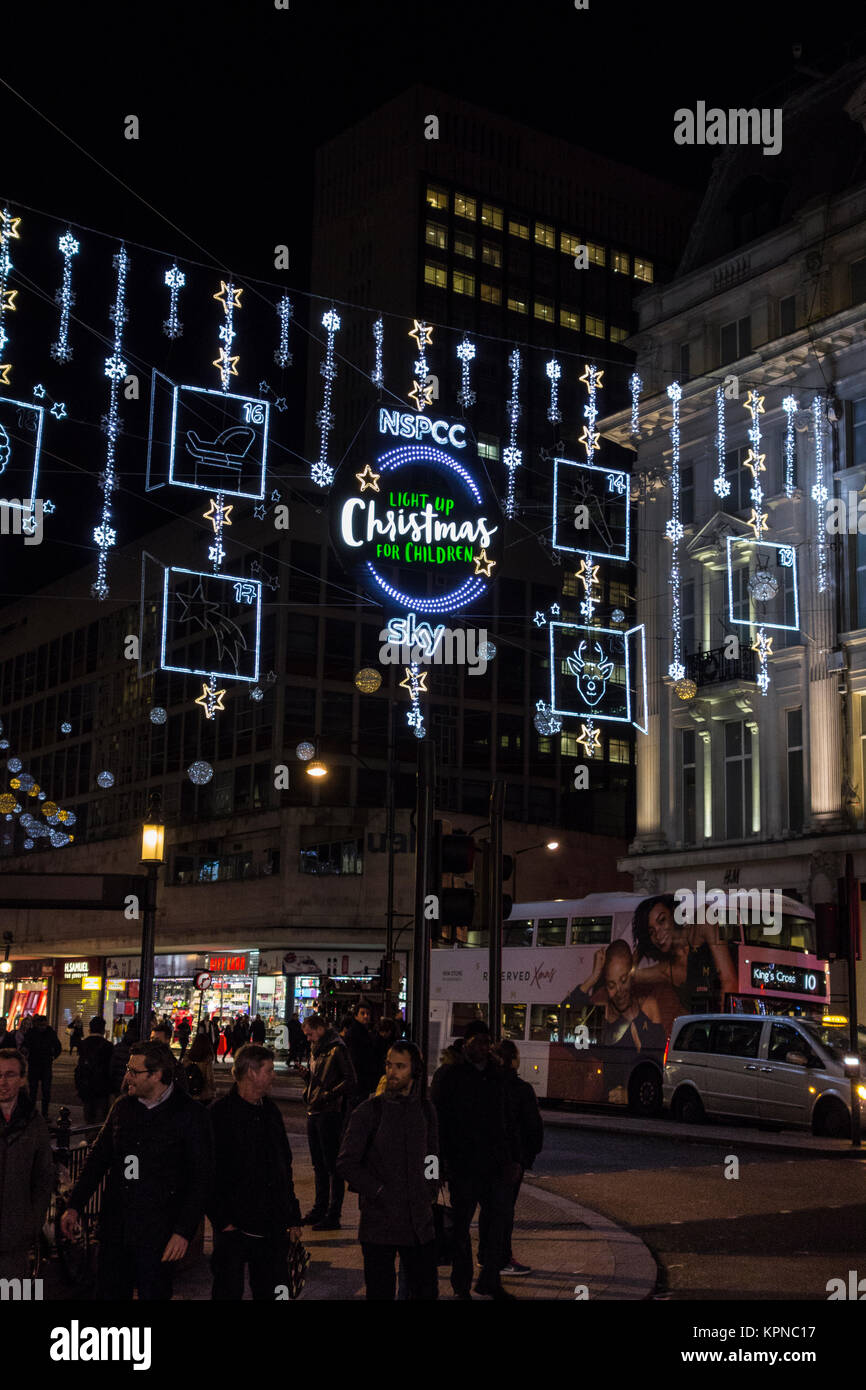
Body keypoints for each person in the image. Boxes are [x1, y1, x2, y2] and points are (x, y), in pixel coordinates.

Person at [60, 1041, 213, 1301]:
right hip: (116, 1230)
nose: (126, 1076)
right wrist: (75, 1205)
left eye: (134, 1071)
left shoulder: (190, 1115)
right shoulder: (123, 1107)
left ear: (156, 1075)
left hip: (159, 1234)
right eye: (128, 1069)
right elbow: (98, 1159)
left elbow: (201, 1178)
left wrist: (183, 1231)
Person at [338, 1040, 438, 1300]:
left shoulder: (426, 1111)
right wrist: (379, 1191)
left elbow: (433, 1156)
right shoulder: (369, 1111)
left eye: (400, 1066)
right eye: (389, 1065)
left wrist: (430, 1189)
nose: (392, 1072)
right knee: (380, 1291)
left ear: (414, 1070)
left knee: (424, 1290)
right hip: (379, 1222)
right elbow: (346, 1163)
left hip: (418, 1223)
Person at [209, 1044, 302, 1300]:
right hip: (235, 1227)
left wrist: (292, 1215)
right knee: (228, 1289)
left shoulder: (270, 1111)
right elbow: (208, 1172)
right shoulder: (220, 1115)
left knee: (274, 1289)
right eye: (269, 1070)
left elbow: (283, 1165)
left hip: (271, 1225)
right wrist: (222, 1220)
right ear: (251, 1072)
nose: (274, 1075)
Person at [431, 1020, 514, 1300]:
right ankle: (461, 1286)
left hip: (492, 1165)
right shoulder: (450, 1074)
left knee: (496, 1226)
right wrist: (440, 1162)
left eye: (487, 1041)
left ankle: (489, 1278)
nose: (483, 1046)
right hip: (463, 1165)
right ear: (466, 1042)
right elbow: (437, 1120)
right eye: (478, 1041)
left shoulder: (495, 1074)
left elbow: (505, 1120)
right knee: (460, 1229)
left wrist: (510, 1157)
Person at [0, 1048, 54, 1280]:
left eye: (10, 1075)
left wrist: (32, 1222)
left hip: (15, 1237)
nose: (2, 1082)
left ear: (22, 1079)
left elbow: (43, 1176)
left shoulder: (33, 1122)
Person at [493, 1040, 544, 1277]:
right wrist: (526, 1157)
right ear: (512, 1060)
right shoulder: (521, 1089)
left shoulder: (487, 1085)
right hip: (512, 1160)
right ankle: (502, 1258)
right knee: (505, 1211)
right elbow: (533, 1128)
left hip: (487, 1159)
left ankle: (488, 1257)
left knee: (492, 1211)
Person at [301, 1012, 356, 1230]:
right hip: (314, 1110)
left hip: (328, 1112)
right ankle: (319, 1208)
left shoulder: (336, 1049)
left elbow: (350, 1081)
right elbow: (321, 1079)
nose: (308, 1038)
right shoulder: (319, 1050)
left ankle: (333, 1214)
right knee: (318, 1165)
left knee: (331, 1165)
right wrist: (308, 1078)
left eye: (310, 1034)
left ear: (321, 1029)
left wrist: (327, 1095)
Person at [74, 1016, 114, 1126]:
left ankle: (89, 1139)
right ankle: (96, 1141)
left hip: (86, 1085)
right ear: (103, 1029)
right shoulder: (108, 1046)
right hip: (102, 1087)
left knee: (88, 1117)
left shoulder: (83, 1044)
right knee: (101, 1120)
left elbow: (79, 1067)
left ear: (90, 1029)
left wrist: (78, 1086)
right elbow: (110, 1069)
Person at [24, 1014, 62, 1119]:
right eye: (41, 1025)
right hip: (34, 1064)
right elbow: (25, 1045)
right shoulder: (31, 1033)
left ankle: (44, 1113)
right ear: (37, 1024)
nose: (42, 1027)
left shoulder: (50, 1033)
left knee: (46, 1091)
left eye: (44, 1025)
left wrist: (53, 1056)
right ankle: (32, 1112)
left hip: (45, 1065)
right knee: (33, 1090)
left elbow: (58, 1046)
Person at [346, 1001, 379, 1105]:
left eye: (368, 1014)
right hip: (360, 1078)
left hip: (362, 1078)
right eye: (362, 1013)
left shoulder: (363, 1031)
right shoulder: (356, 1033)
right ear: (356, 1015)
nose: (366, 1016)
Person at [186, 1033, 216, 1103]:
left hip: (190, 1090)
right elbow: (209, 1077)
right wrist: (213, 1089)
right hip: (203, 1093)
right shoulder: (207, 1059)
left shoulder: (188, 1057)